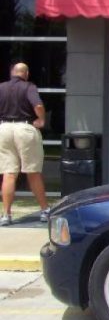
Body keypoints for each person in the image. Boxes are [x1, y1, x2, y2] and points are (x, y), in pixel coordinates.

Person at [0, 63, 49, 225]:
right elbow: (38, 105)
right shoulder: (29, 87)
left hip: (4, 128)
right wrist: (41, 120)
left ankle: (6, 215)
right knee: (32, 170)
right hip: (24, 127)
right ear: (26, 73)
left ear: (11, 72)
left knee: (9, 173)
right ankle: (44, 210)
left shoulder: (2, 87)